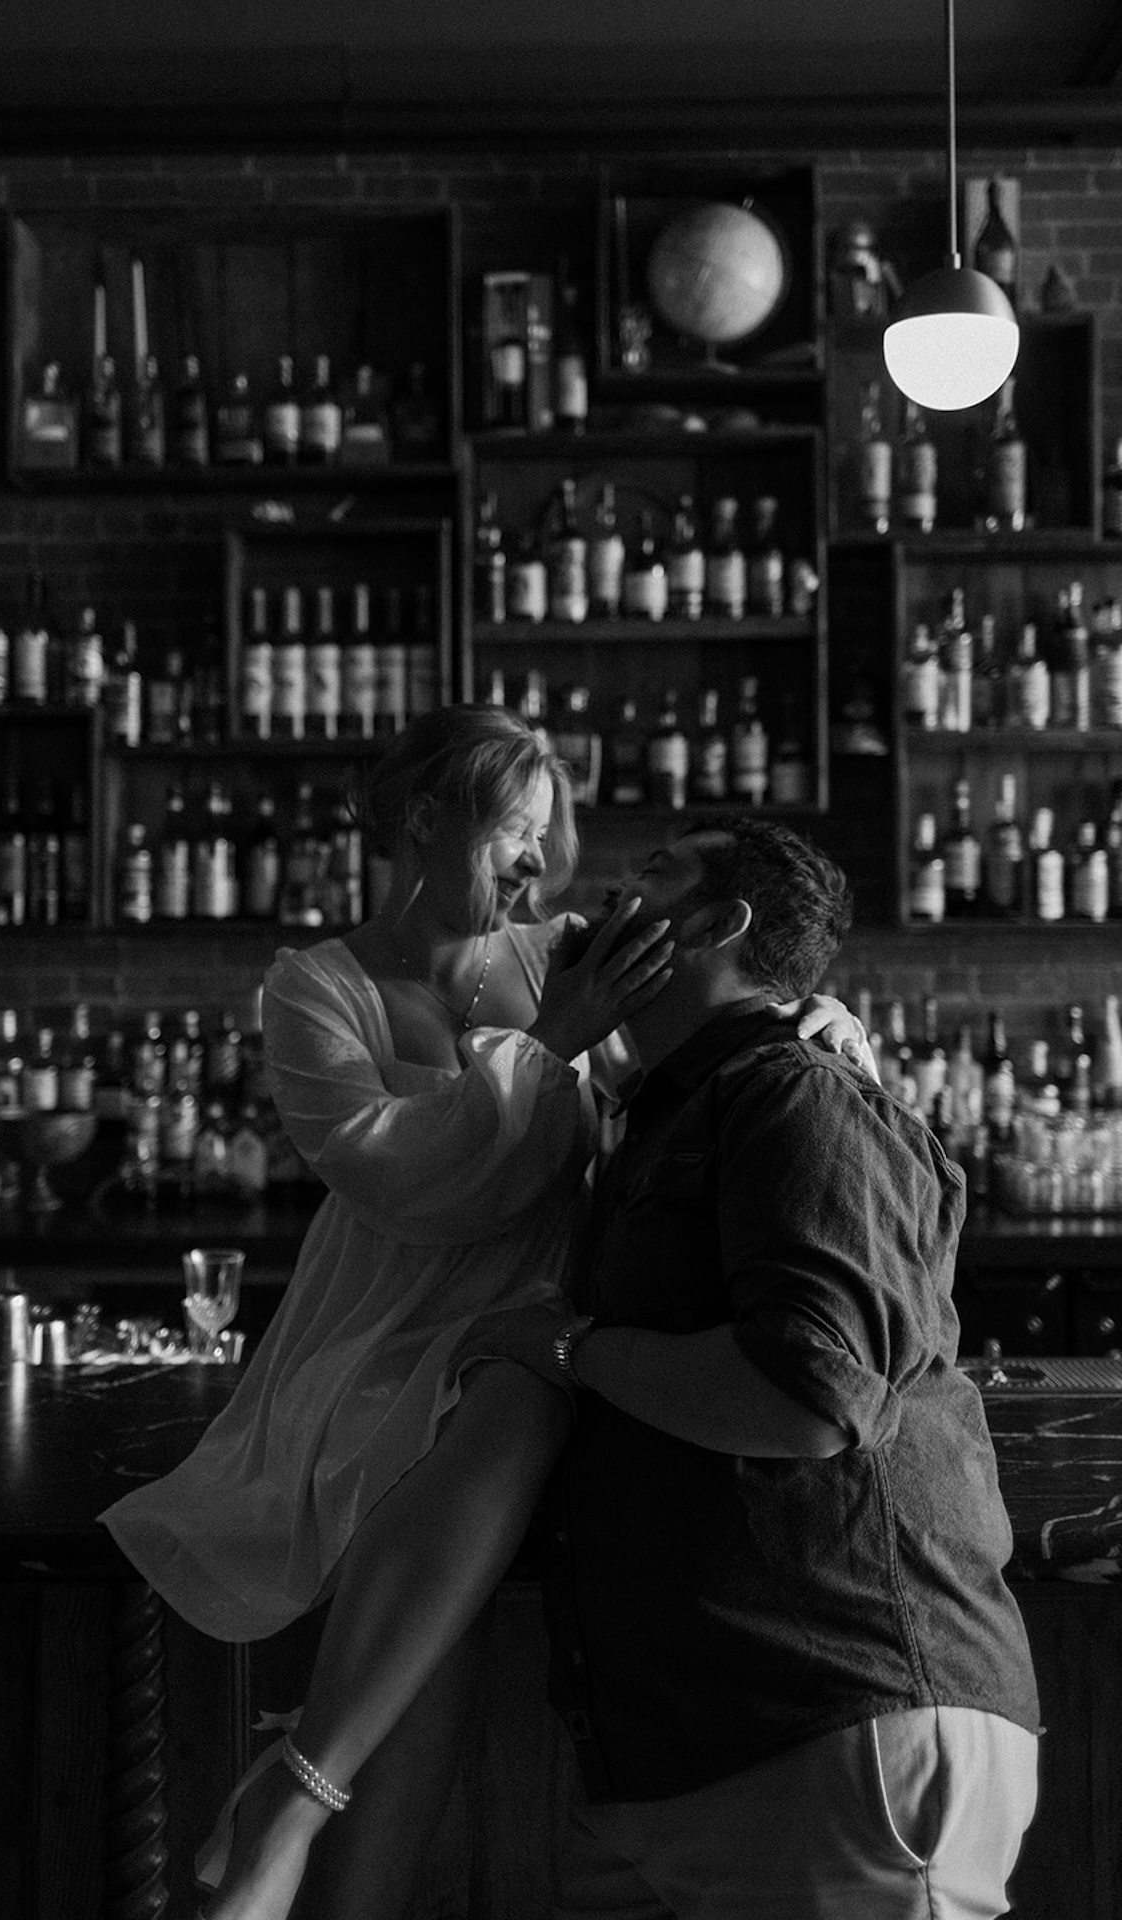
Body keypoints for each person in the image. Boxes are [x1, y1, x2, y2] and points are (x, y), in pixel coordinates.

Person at [101, 711, 870, 1920]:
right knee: (434, 1588)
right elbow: (398, 1184)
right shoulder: (315, 990)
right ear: (425, 818)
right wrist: (550, 1039)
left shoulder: (565, 947)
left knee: (503, 1425)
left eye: (544, 835)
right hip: (377, 1326)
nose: (535, 861)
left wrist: (828, 1024)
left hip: (535, 1316)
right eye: (515, 829)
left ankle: (289, 1823)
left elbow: (746, 993)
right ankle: (301, 1845)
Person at [494, 816, 1040, 1920]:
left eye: (650, 873)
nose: (602, 893)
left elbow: (808, 1398)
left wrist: (566, 1348)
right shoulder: (670, 1107)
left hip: (833, 1721)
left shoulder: (790, 1093)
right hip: (683, 1751)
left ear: (719, 924)